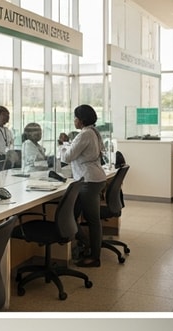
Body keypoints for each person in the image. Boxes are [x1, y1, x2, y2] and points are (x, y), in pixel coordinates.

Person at [57, 103, 107, 268]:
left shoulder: (84, 134)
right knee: (72, 214)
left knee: (92, 220)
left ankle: (94, 256)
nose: (74, 121)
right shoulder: (93, 132)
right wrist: (69, 143)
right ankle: (86, 244)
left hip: (89, 181)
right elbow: (82, 149)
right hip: (93, 178)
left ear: (81, 120)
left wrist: (61, 145)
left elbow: (68, 157)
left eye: (76, 118)